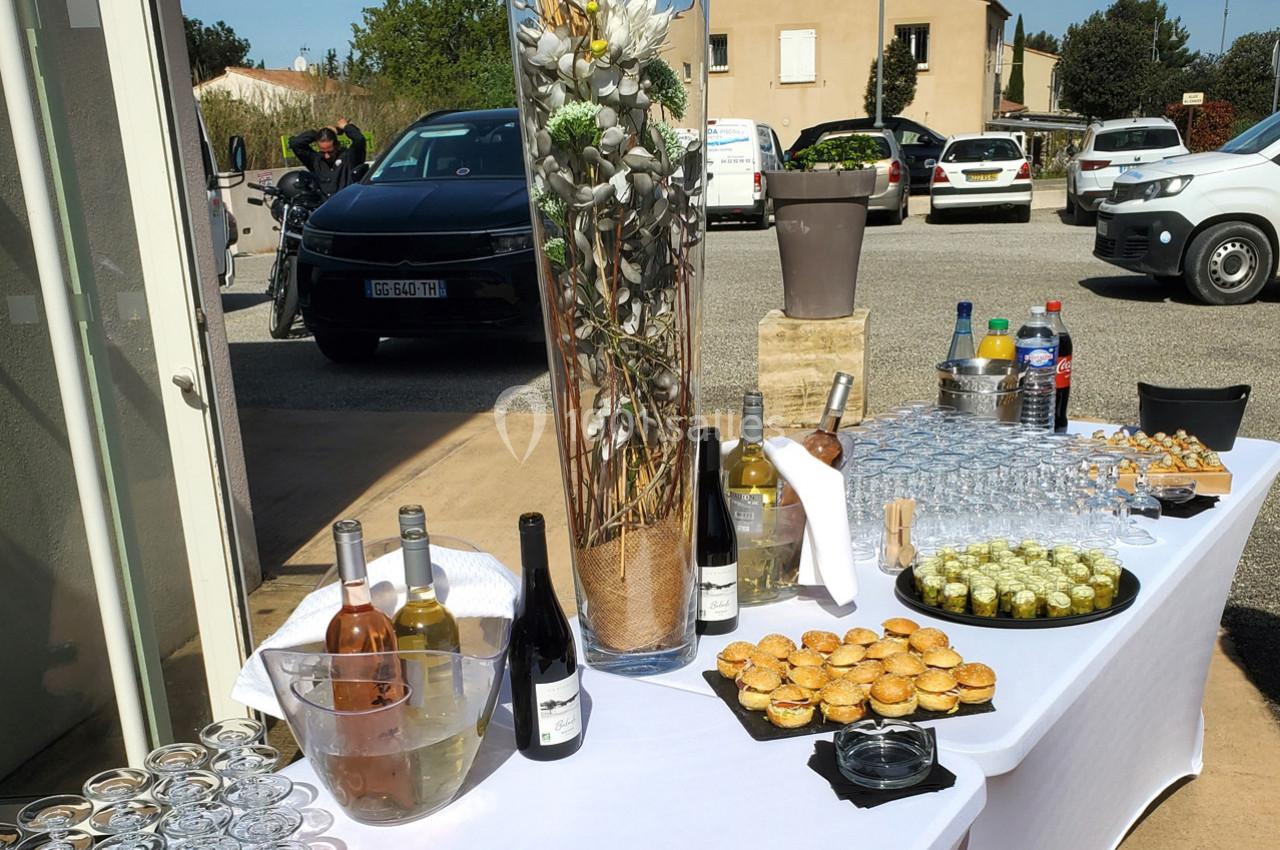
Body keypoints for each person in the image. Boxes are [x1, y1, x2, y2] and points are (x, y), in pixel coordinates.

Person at [287, 118, 366, 197]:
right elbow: (295, 143)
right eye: (323, 152)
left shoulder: (349, 158)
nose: (327, 156)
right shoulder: (315, 161)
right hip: (325, 206)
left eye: (330, 152)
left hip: (346, 204)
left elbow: (359, 139)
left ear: (337, 145)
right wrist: (319, 133)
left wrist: (346, 127)